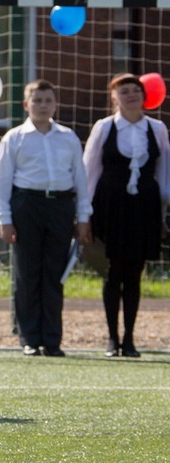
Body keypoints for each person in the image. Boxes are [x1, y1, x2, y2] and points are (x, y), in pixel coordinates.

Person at [0, 79, 92, 357]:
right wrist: (4, 218)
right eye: (37, 100)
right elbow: (2, 181)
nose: (42, 105)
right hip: (26, 206)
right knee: (27, 273)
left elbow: (80, 180)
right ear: (26, 104)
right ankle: (29, 338)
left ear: (55, 104)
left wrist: (83, 216)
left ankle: (52, 339)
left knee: (54, 274)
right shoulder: (14, 138)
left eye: (48, 100)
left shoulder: (68, 137)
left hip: (60, 207)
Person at [83, 73, 170, 357]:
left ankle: (130, 339)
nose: (131, 95)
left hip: (144, 207)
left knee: (134, 273)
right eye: (124, 91)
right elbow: (89, 172)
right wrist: (84, 215)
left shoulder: (157, 129)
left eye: (135, 90)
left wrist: (163, 214)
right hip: (110, 206)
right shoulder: (104, 127)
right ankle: (112, 339)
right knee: (112, 272)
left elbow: (164, 173)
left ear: (144, 96)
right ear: (114, 98)